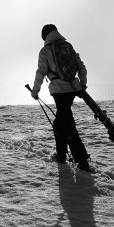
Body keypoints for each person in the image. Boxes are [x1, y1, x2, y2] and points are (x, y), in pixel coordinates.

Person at [29, 24, 92, 172]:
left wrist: (35, 91)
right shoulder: (68, 47)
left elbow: (41, 72)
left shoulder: (45, 51)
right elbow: (81, 66)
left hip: (58, 90)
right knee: (59, 123)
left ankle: (81, 160)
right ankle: (61, 155)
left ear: (45, 36)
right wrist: (82, 84)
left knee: (68, 124)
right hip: (73, 89)